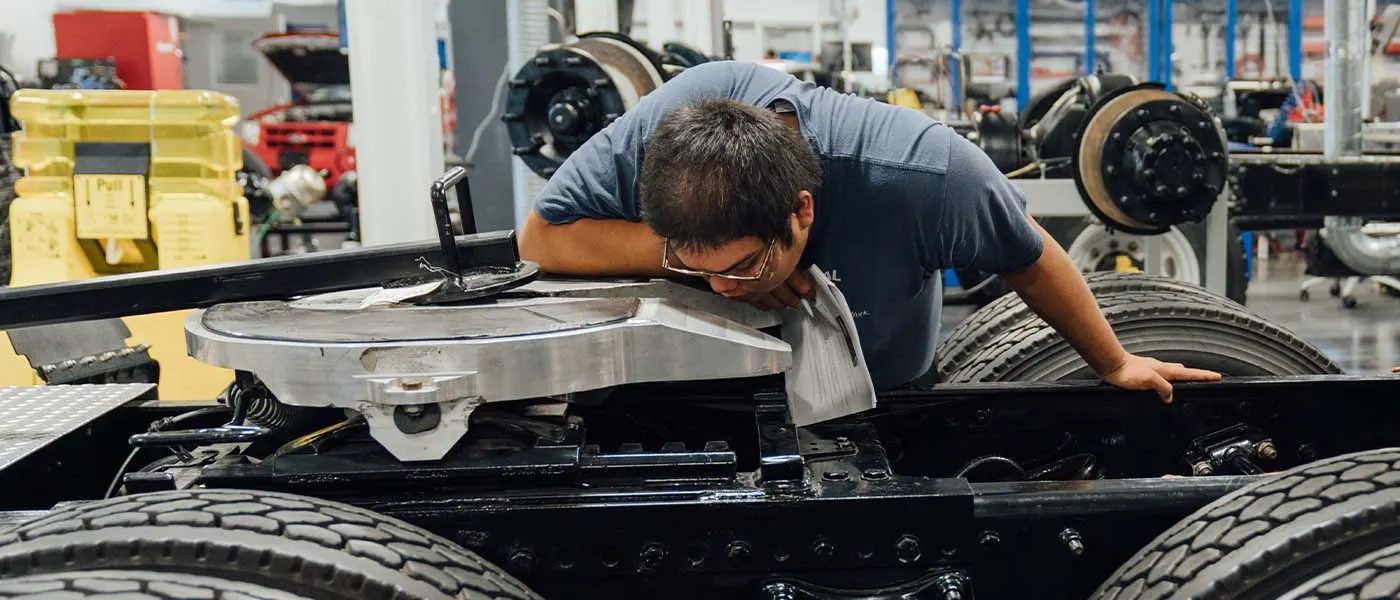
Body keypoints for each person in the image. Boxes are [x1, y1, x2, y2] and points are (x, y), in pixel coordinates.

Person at [518, 60, 1221, 401]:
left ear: (802, 213)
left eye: (737, 268)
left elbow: (1030, 258)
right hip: (702, 395)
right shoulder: (667, 127)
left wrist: (1113, 363)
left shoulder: (928, 178)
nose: (719, 288)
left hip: (883, 395)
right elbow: (542, 240)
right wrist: (680, 267)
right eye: (696, 266)